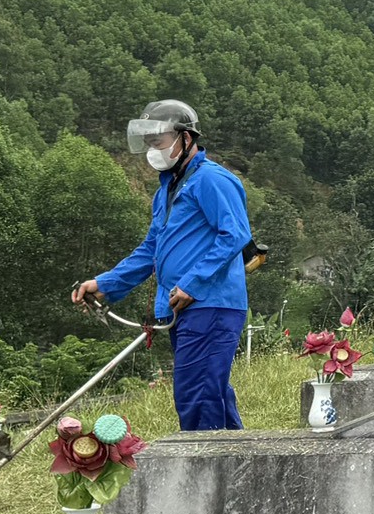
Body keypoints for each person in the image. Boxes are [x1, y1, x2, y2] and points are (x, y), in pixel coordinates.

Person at [69, 98, 254, 431]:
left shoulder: (212, 181)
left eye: (160, 141)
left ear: (186, 138)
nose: (154, 149)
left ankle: (204, 472)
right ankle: (236, 472)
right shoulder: (167, 191)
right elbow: (151, 250)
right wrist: (106, 284)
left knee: (196, 394)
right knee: (210, 394)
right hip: (182, 308)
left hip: (211, 304)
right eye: (150, 143)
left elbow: (235, 235)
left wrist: (193, 282)